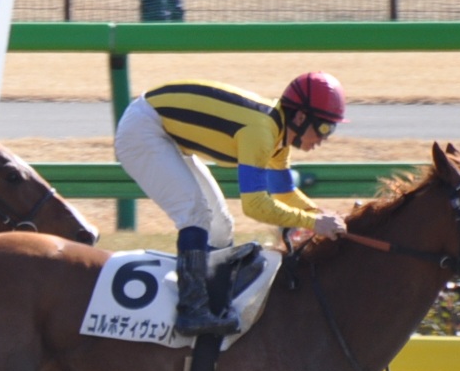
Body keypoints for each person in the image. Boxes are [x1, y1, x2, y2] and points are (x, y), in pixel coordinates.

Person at [114, 73, 349, 337]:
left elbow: (284, 193)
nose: (324, 138)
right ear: (301, 117)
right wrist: (314, 222)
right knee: (195, 214)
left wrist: (322, 216)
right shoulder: (261, 133)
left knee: (221, 225)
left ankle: (214, 300)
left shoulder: (278, 135)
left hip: (162, 131)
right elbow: (255, 205)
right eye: (325, 128)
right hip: (143, 130)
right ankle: (192, 311)